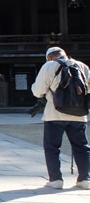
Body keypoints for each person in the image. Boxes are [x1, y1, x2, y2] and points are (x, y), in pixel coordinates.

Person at [30, 47, 90, 189]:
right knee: (81, 147)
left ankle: (56, 179)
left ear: (49, 57)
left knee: (52, 147)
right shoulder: (81, 66)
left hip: (54, 113)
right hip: (79, 114)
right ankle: (85, 178)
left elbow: (38, 91)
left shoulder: (49, 66)